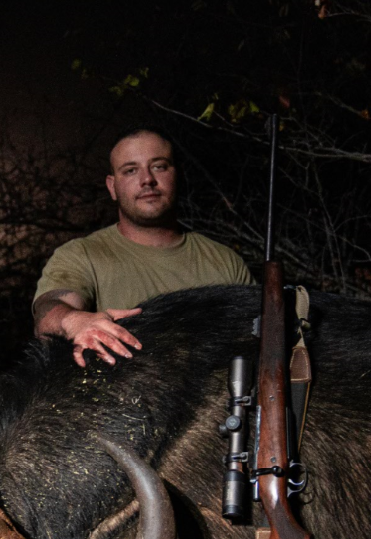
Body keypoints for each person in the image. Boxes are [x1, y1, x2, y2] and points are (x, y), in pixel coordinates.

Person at [33, 128, 255, 367]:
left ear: (176, 175)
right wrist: (74, 321)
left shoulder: (225, 261)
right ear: (112, 186)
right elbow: (47, 314)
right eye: (130, 170)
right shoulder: (81, 255)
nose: (147, 179)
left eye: (159, 166)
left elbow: (260, 335)